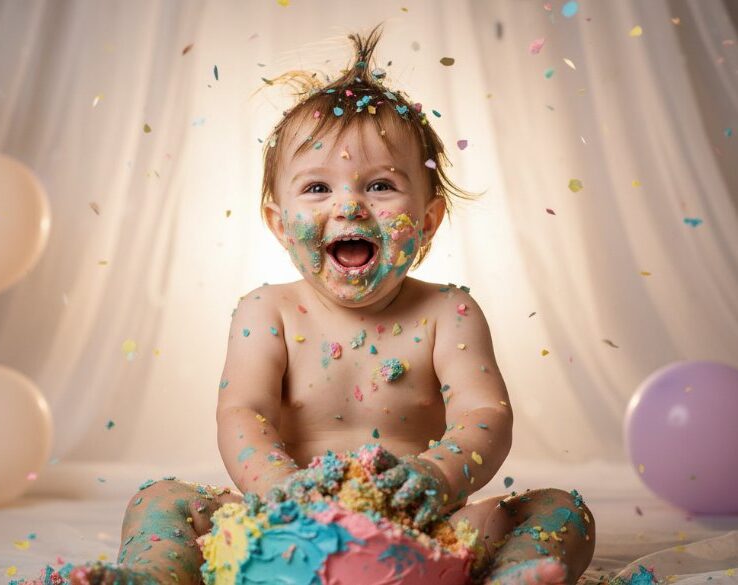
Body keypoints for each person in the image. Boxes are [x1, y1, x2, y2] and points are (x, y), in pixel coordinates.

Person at [70, 24, 595, 585]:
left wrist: (435, 476)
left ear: (427, 221)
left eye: (380, 186)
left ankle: (511, 578)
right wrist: (276, 489)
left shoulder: (449, 313)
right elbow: (242, 412)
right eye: (317, 189)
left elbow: (484, 414)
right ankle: (152, 576)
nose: (349, 206)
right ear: (278, 224)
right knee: (161, 498)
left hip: (419, 527)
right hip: (286, 526)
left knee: (559, 508)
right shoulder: (265, 311)